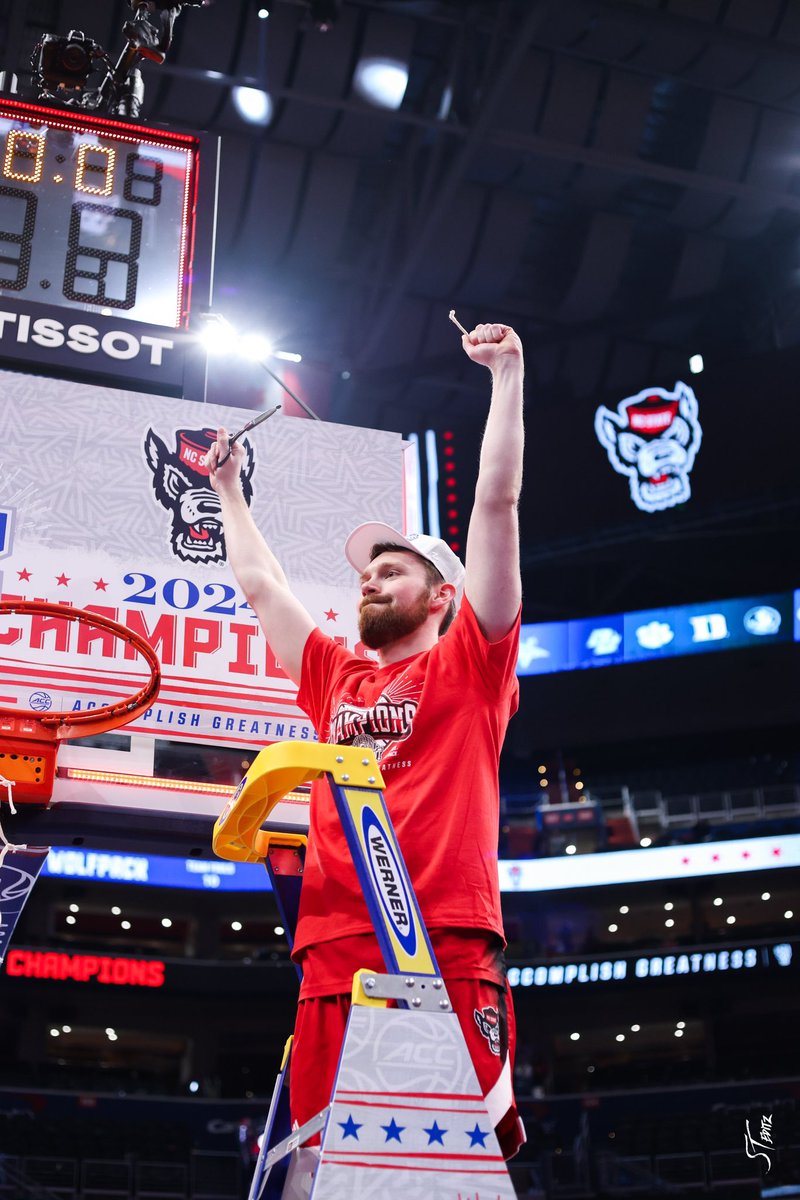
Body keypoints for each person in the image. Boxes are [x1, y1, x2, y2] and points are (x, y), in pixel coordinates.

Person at [207, 321, 526, 1161]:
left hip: (442, 936)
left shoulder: (472, 664)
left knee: (454, 1165)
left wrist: (506, 374)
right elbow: (259, 582)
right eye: (364, 574)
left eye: (391, 572)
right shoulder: (335, 677)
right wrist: (230, 490)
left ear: (440, 597)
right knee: (325, 1166)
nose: (369, 581)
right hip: (335, 945)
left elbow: (495, 501)